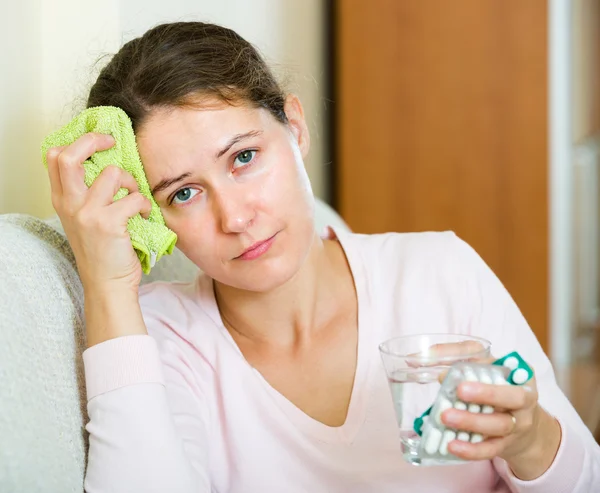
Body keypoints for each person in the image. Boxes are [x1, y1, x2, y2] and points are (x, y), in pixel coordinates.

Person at [45, 22, 600, 493]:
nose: (235, 217)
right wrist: (108, 284)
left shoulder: (437, 273)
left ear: (295, 127)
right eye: (184, 194)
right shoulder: (164, 343)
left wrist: (532, 441)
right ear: (152, 217)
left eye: (243, 157)